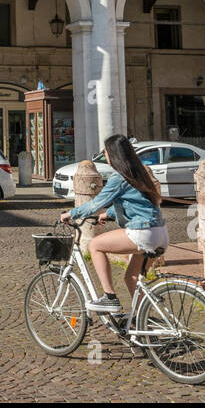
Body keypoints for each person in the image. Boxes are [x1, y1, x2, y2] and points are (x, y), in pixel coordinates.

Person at [61, 133, 168, 314]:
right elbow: (136, 201)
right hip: (160, 233)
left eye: (106, 152)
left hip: (143, 232)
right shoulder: (139, 172)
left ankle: (109, 297)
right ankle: (146, 323)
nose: (105, 156)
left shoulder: (119, 178)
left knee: (95, 245)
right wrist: (109, 214)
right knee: (131, 278)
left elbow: (95, 203)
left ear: (114, 154)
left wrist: (70, 213)